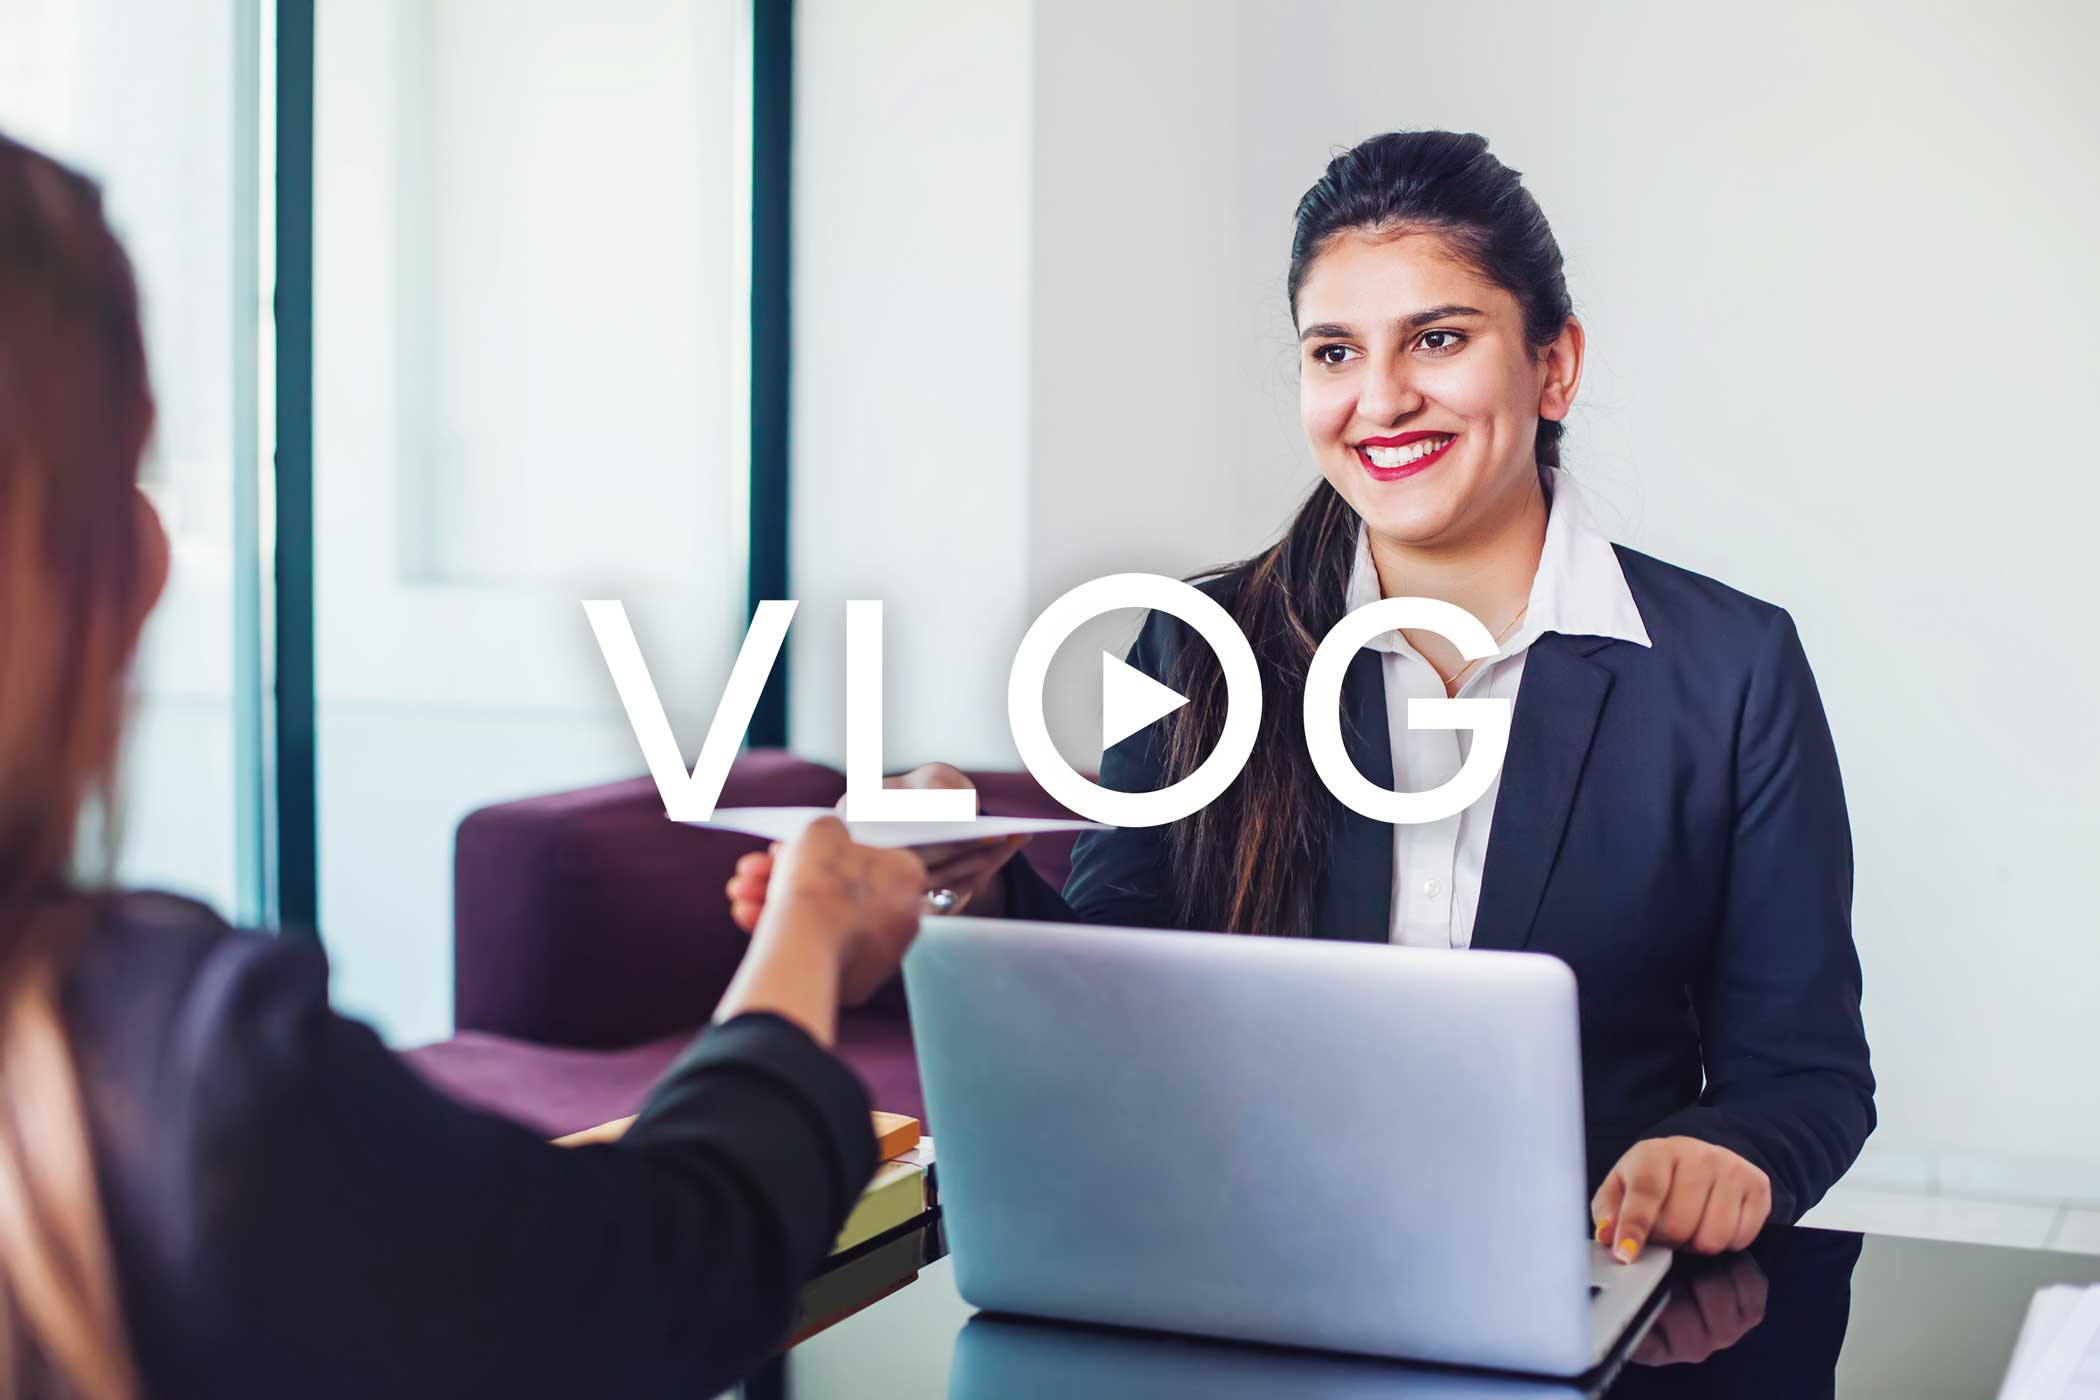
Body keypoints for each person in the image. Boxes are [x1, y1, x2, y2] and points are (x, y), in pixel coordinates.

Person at [729, 130, 1874, 1265]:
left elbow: (1805, 1075)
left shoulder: (1732, 669)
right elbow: (1112, 1001)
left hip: (1573, 1281)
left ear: (1555, 364)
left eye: (1437, 338)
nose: (1381, 399)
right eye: (1334, 352)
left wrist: (1726, 1153)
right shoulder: (1189, 644)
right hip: (1242, 1268)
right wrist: (971, 882)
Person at [0, 130, 930, 1399]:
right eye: (125, 475)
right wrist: (811, 930)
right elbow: (664, 1270)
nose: (155, 542)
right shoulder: (179, 1082)